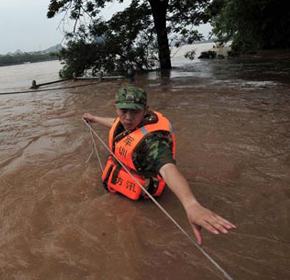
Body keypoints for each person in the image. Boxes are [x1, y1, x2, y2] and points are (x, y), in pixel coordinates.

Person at [83, 86, 235, 246]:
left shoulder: (153, 141)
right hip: (122, 182)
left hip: (141, 195)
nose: (128, 118)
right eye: (123, 111)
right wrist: (94, 118)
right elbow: (115, 123)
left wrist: (191, 204)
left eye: (135, 112)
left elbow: (167, 168)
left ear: (145, 110)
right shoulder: (125, 121)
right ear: (116, 108)